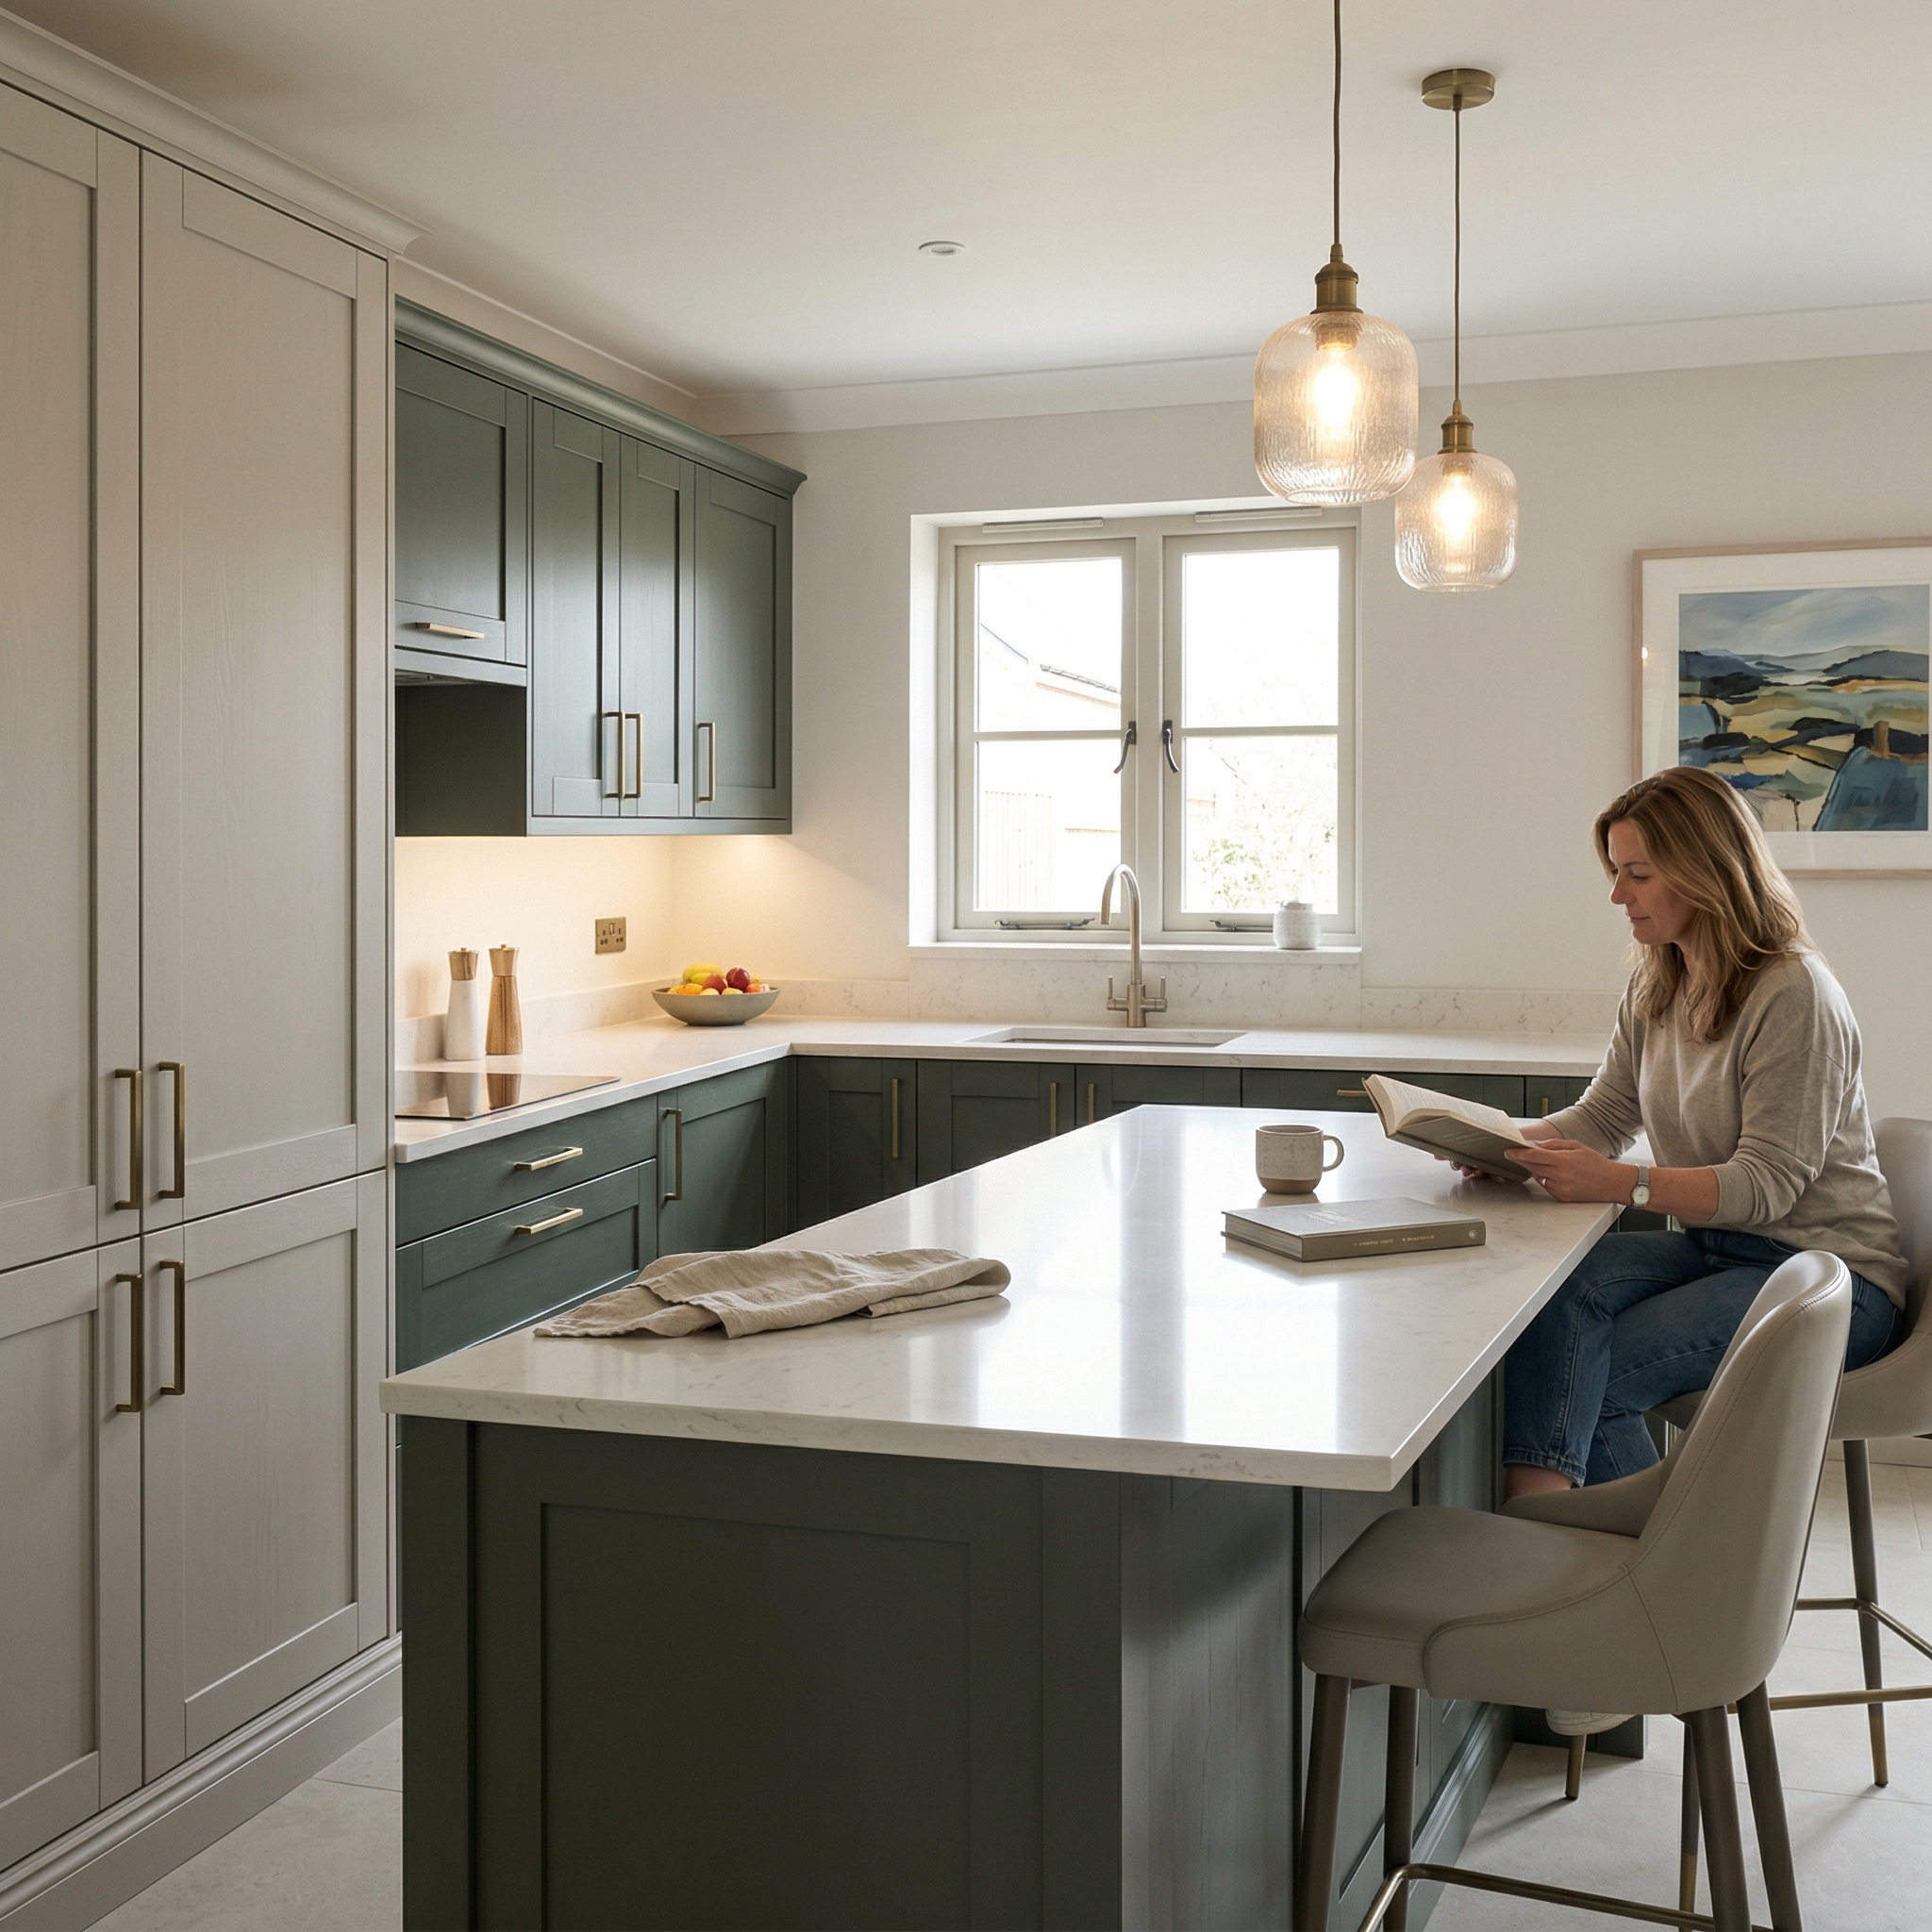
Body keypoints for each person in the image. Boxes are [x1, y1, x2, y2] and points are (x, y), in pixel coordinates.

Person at [1493, 765, 1907, 1507]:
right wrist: (1497, 1144)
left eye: (1637, 875)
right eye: (1617, 873)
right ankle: (1548, 1515)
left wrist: (1621, 1184)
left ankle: (1651, 1581)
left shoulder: (1795, 994)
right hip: (1724, 1251)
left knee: (1603, 1374)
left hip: (1826, 1278)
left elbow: (1767, 1184)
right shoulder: (1659, 980)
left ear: (1706, 871)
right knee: (1552, 1296)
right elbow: (1605, 1115)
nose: (1617, 895)